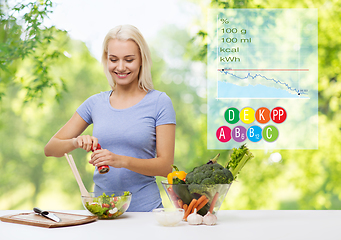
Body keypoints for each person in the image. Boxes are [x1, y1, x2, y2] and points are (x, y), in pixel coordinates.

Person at [44, 25, 176, 212]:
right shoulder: (95, 104)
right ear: (106, 60)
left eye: (129, 59)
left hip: (146, 213)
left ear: (141, 61)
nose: (120, 67)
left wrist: (120, 160)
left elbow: (166, 166)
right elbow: (50, 148)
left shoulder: (159, 102)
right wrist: (75, 141)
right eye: (113, 59)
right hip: (103, 211)